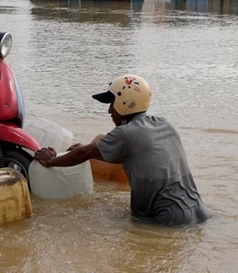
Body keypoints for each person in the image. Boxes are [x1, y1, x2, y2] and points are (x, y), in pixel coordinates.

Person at [35, 74, 208, 226]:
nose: (110, 110)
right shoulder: (164, 124)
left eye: (111, 103)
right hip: (198, 211)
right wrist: (86, 149)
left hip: (167, 218)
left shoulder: (125, 133)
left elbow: (84, 154)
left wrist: (51, 160)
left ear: (124, 103)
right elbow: (135, 156)